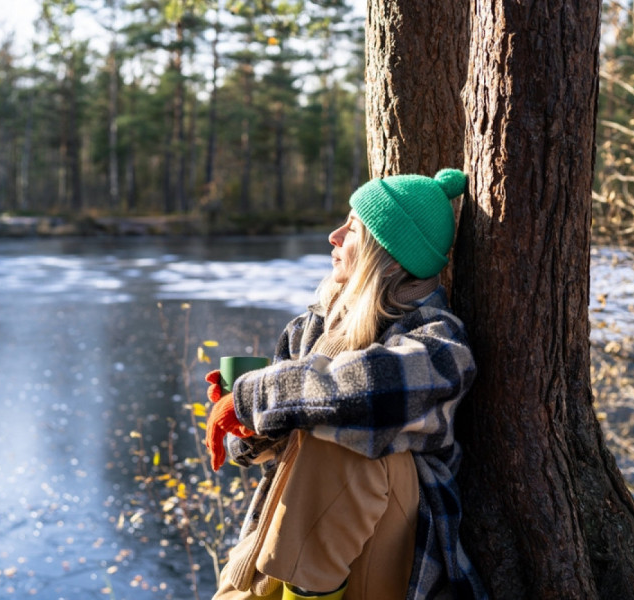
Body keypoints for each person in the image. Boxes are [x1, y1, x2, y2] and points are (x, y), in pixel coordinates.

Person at [204, 170, 488, 600]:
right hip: (292, 543)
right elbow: (264, 458)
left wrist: (258, 395)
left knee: (344, 435)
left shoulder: (439, 340)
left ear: (390, 256)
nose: (333, 236)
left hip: (392, 556)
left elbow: (367, 393)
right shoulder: (311, 328)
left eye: (352, 228)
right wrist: (249, 426)